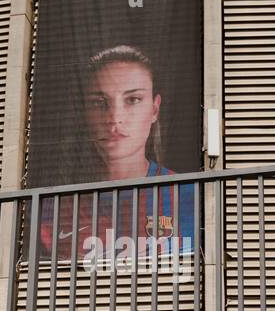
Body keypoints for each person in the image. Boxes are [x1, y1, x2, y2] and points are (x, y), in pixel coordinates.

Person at [38, 45, 196, 265]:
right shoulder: (57, 209)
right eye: (99, 102)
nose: (115, 118)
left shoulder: (188, 197)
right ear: (85, 112)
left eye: (133, 100)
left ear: (154, 109)